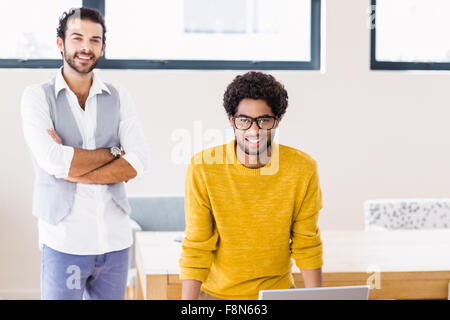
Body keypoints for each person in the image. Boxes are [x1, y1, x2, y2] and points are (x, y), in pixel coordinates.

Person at [20, 7, 149, 300]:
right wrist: (114, 153)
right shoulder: (36, 97)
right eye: (77, 38)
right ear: (60, 43)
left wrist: (74, 166)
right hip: (64, 242)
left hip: (115, 242)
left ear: (103, 47)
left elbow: (139, 161)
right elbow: (52, 160)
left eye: (95, 40)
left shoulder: (118, 96)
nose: (86, 47)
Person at [179, 71, 323, 300]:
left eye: (264, 120)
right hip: (219, 296)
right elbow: (197, 246)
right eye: (244, 120)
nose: (254, 130)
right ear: (231, 120)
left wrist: (318, 299)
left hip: (279, 294)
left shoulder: (302, 168)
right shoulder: (203, 167)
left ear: (277, 120)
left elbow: (307, 243)